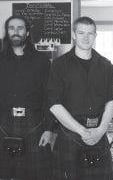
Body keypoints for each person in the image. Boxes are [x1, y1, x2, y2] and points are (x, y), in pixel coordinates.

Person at [48, 16, 113, 180]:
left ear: (95, 35)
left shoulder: (105, 65)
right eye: (81, 33)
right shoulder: (59, 65)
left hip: (98, 133)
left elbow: (110, 100)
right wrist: (82, 131)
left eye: (90, 33)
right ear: (73, 35)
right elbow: (53, 104)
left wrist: (100, 131)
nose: (86, 38)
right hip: (70, 135)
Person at [0, 15, 53, 180]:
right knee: (6, 173)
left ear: (28, 32)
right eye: (11, 28)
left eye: (20, 28)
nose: (15, 32)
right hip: (3, 124)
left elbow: (49, 96)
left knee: (37, 174)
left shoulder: (42, 61)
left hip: (35, 124)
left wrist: (49, 128)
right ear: (7, 32)